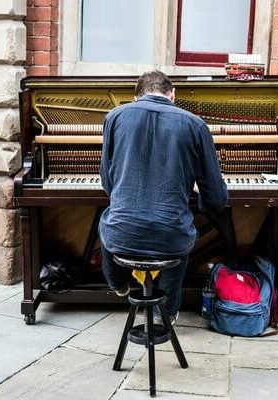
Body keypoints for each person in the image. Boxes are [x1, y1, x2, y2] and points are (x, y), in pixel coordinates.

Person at [99, 70, 228, 323]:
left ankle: (118, 284)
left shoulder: (114, 117)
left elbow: (108, 184)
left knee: (110, 220)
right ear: (172, 95)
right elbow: (215, 198)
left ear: (136, 97)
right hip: (171, 237)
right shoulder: (195, 124)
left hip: (124, 233)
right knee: (176, 227)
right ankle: (166, 311)